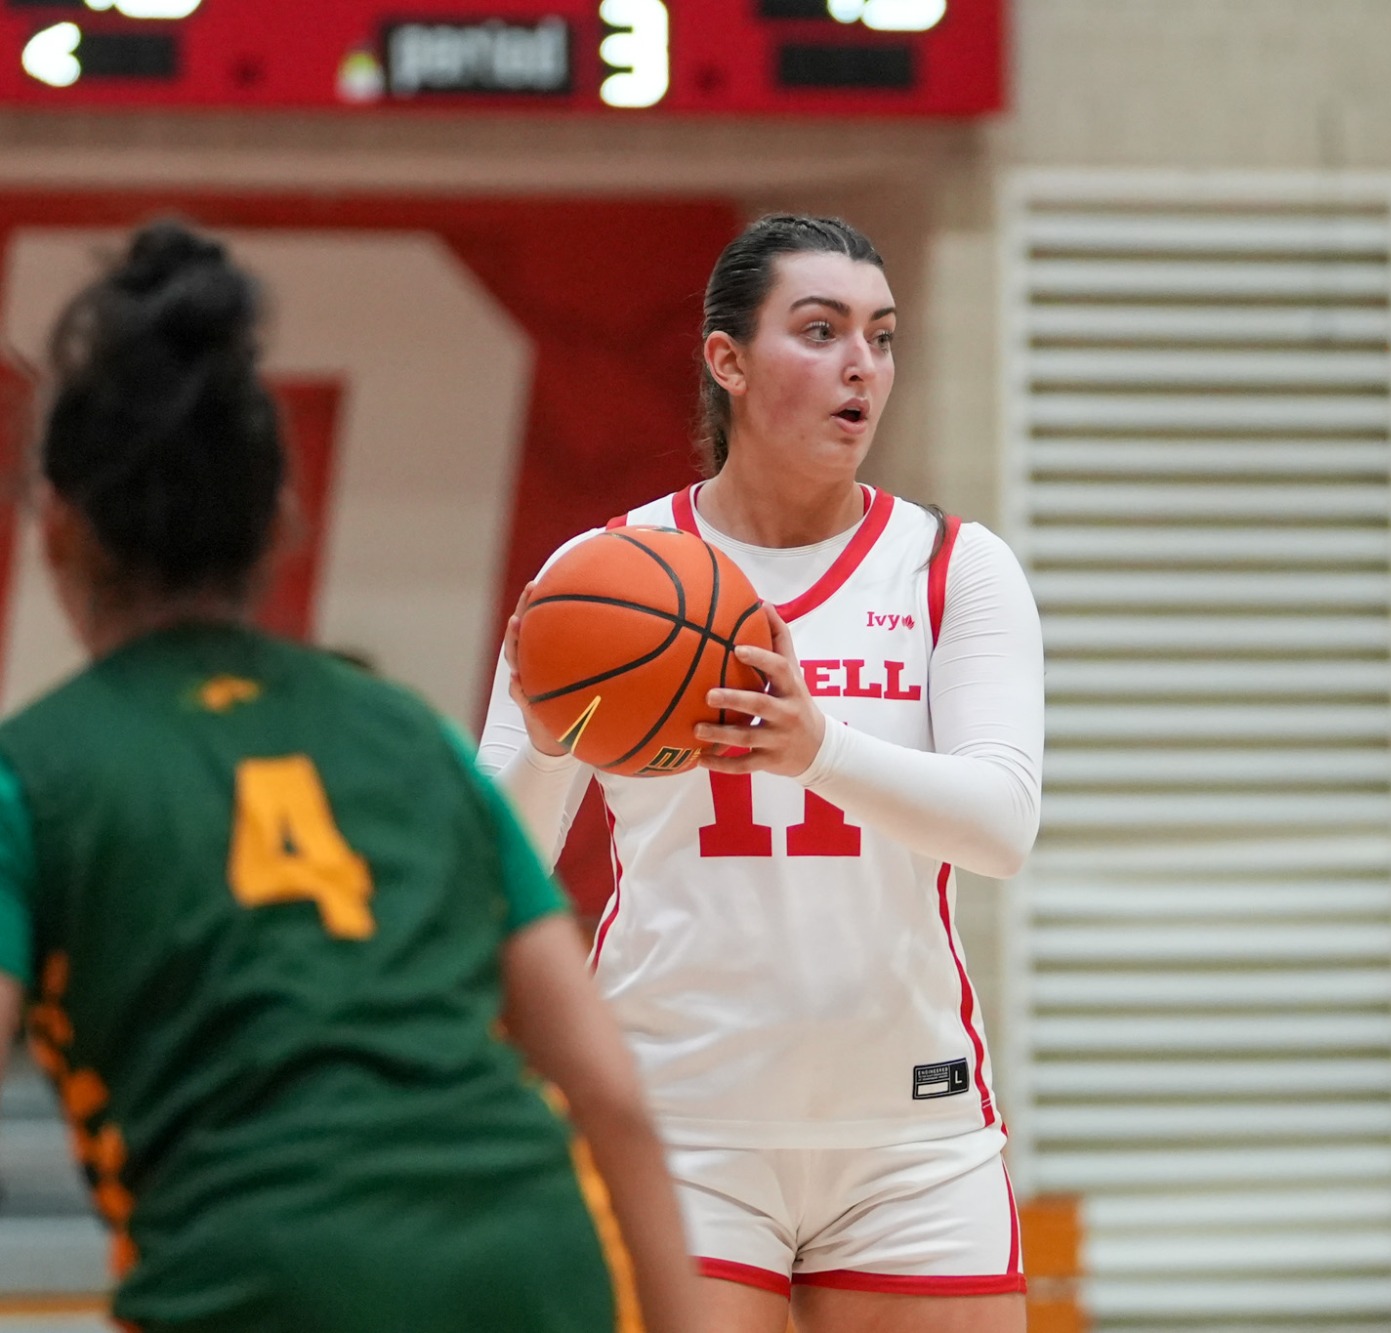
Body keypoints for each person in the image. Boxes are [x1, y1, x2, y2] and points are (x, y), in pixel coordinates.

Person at [0, 220, 699, 1333]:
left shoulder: (28, 776)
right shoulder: (404, 733)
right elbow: (608, 1092)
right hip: (532, 1263)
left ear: (58, 533)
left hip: (261, 1281)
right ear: (279, 520)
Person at [479, 214, 1044, 1333]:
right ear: (725, 360)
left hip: (909, 1135)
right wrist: (557, 730)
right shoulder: (599, 577)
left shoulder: (951, 568)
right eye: (820, 330)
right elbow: (497, 860)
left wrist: (817, 748)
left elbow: (1000, 825)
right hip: (681, 1121)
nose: (859, 367)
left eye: (880, 338)